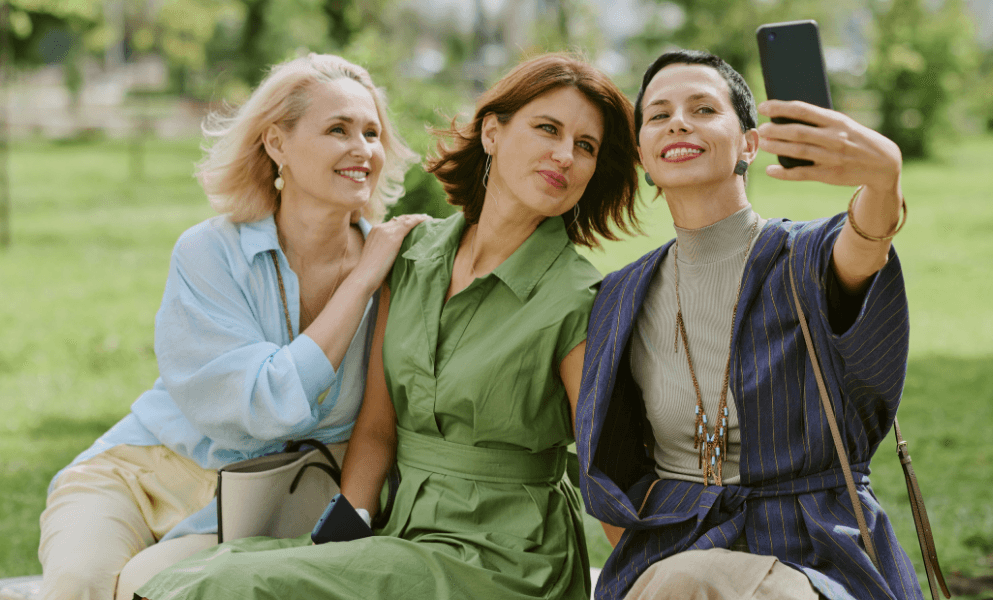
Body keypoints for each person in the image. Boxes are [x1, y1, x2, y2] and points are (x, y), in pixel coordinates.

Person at [136, 52, 641, 600]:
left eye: (585, 146)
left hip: (507, 560)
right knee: (196, 576)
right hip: (398, 535)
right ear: (492, 132)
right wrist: (338, 539)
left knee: (218, 589)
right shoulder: (412, 256)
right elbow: (377, 426)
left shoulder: (579, 299)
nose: (564, 155)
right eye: (548, 128)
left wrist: (652, 578)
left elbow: (604, 472)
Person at [37, 53, 430, 600]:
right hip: (142, 471)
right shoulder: (210, 251)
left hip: (270, 503)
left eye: (371, 132)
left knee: (148, 589)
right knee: (76, 586)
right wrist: (359, 283)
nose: (362, 149)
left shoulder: (398, 269)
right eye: (337, 129)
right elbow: (258, 405)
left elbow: (383, 422)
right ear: (277, 144)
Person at [576, 50, 923, 600]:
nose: (678, 123)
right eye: (658, 115)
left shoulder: (805, 256)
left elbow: (864, 245)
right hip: (674, 551)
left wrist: (883, 185)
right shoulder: (622, 296)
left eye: (703, 108)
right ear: (642, 151)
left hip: (815, 551)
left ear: (749, 143)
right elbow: (613, 467)